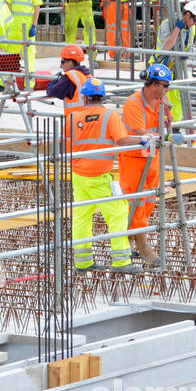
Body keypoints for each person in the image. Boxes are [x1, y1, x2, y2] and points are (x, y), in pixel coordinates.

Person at [66, 77, 149, 273]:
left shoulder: (73, 117)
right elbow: (123, 141)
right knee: (118, 213)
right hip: (100, 176)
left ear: (84, 98)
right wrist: (143, 139)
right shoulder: (109, 116)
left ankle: (83, 263)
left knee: (81, 218)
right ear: (102, 97)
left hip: (78, 175)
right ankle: (121, 262)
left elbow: (66, 144)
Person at [120, 64, 186, 266]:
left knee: (149, 200)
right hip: (134, 159)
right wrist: (166, 135)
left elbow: (160, 127)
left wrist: (168, 121)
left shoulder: (160, 101)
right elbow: (142, 133)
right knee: (135, 201)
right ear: (154, 85)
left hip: (153, 157)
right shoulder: (133, 103)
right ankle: (142, 244)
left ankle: (131, 237)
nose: (167, 90)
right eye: (165, 86)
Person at [148, 0, 196, 121]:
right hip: (161, 66)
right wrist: (177, 29)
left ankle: (175, 126)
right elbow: (167, 47)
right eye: (195, 20)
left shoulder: (191, 29)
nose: (195, 23)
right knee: (160, 98)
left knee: (177, 99)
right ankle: (159, 126)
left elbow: (189, 46)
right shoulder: (167, 24)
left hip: (176, 68)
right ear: (187, 15)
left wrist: (186, 54)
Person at [2, 0, 43, 67]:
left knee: (29, 56)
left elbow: (37, 7)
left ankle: (30, 81)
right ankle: (5, 81)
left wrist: (34, 25)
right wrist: (6, 24)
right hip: (13, 27)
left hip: (28, 27)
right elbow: (8, 6)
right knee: (10, 55)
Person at [45, 44, 91, 117]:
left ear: (72, 62)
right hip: (88, 119)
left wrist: (52, 83)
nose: (61, 66)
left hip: (75, 120)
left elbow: (52, 92)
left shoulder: (69, 77)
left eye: (63, 62)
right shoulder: (87, 75)